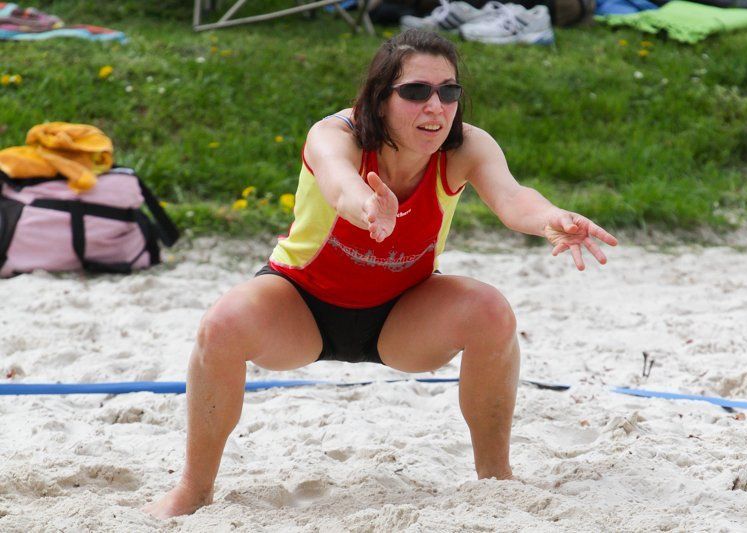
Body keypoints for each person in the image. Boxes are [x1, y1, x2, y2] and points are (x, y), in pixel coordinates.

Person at [143, 29, 618, 519]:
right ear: (379, 98)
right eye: (415, 91)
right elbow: (338, 183)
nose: (435, 106)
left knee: (491, 312)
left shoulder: (467, 146)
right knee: (221, 325)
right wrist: (368, 206)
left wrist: (552, 219)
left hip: (401, 316)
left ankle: (496, 479)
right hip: (301, 304)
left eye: (448, 91)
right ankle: (193, 490)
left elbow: (513, 197)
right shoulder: (334, 133)